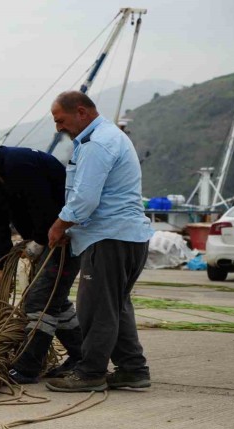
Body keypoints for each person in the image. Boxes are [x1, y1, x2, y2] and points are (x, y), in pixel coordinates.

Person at [0, 129, 84, 384]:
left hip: (65, 238)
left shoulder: (21, 164)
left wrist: (38, 243)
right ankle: (81, 356)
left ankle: (28, 367)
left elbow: (45, 207)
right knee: (55, 299)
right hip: (45, 239)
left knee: (38, 301)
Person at [45, 91, 154, 392]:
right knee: (116, 306)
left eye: (60, 120)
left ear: (81, 112)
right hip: (128, 237)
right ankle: (133, 369)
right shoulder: (110, 137)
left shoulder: (97, 143)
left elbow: (85, 199)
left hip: (108, 238)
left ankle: (90, 373)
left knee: (95, 308)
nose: (59, 128)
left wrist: (59, 226)